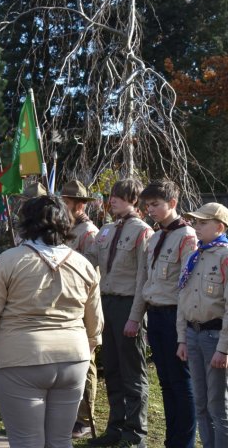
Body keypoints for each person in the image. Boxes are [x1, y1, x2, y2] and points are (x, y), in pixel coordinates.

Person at [0, 195, 104, 447]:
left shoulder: (7, 261)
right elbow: (95, 323)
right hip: (73, 359)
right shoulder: (83, 264)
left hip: (21, 357)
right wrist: (86, 354)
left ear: (26, 223)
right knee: (61, 440)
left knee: (26, 441)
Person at [86, 178, 153, 448]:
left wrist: (135, 317)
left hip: (129, 304)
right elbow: (89, 261)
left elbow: (143, 279)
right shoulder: (106, 230)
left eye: (119, 196)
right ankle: (115, 428)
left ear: (134, 200)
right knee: (112, 369)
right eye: (111, 195)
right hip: (106, 303)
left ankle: (135, 435)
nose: (112, 200)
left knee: (132, 373)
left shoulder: (143, 232)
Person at [138, 181, 197, 448]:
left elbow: (187, 284)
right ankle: (170, 440)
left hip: (176, 315)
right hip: (156, 315)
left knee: (182, 384)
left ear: (172, 203)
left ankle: (182, 443)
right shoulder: (156, 236)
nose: (150, 210)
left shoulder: (187, 236)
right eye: (148, 205)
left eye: (156, 204)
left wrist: (182, 327)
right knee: (165, 382)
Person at [176, 203, 228, 448]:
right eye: (195, 222)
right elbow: (183, 300)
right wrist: (182, 339)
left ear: (219, 227)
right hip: (193, 334)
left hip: (215, 337)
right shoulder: (194, 256)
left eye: (203, 223)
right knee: (200, 403)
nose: (196, 227)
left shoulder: (225, 257)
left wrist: (224, 348)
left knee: (218, 406)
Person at [61, 179, 101, 439]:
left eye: (66, 201)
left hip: (83, 304)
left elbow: (91, 272)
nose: (62, 205)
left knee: (86, 362)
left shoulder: (89, 232)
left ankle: (85, 418)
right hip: (65, 304)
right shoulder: (66, 228)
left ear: (78, 205)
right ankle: (69, 414)